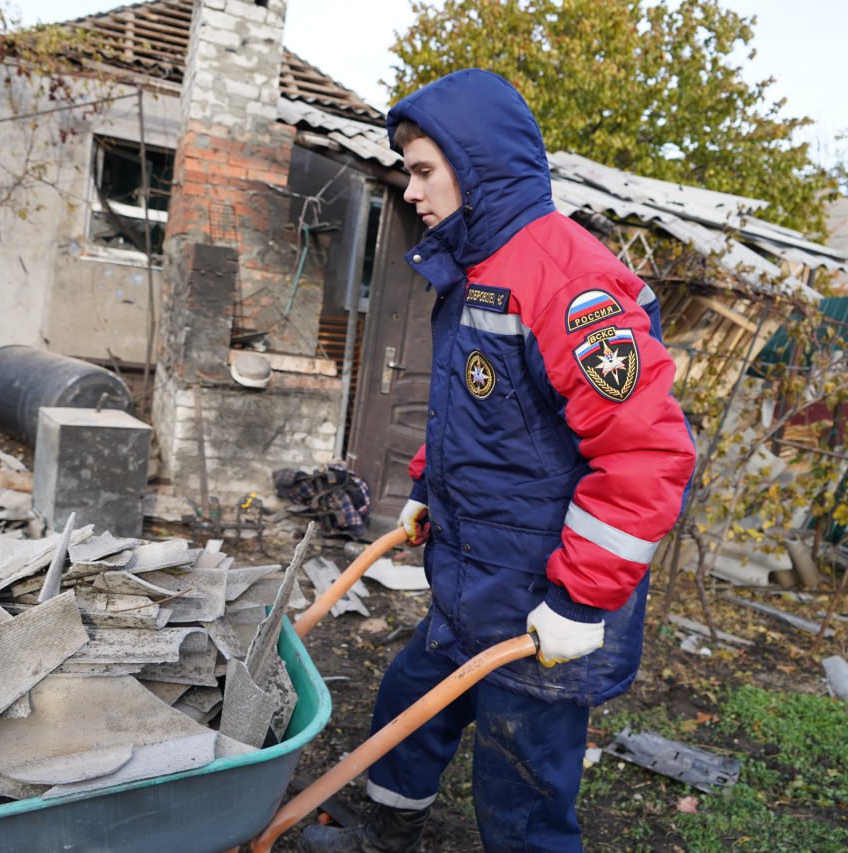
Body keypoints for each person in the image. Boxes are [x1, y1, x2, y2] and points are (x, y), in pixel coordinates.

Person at [298, 69, 696, 853]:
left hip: (544, 594)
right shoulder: (477, 271)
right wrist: (425, 492)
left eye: (422, 170)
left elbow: (646, 452)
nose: (410, 191)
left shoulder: (568, 282)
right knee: (411, 699)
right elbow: (471, 416)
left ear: (475, 164)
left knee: (522, 783)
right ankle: (386, 827)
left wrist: (580, 602)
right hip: (475, 579)